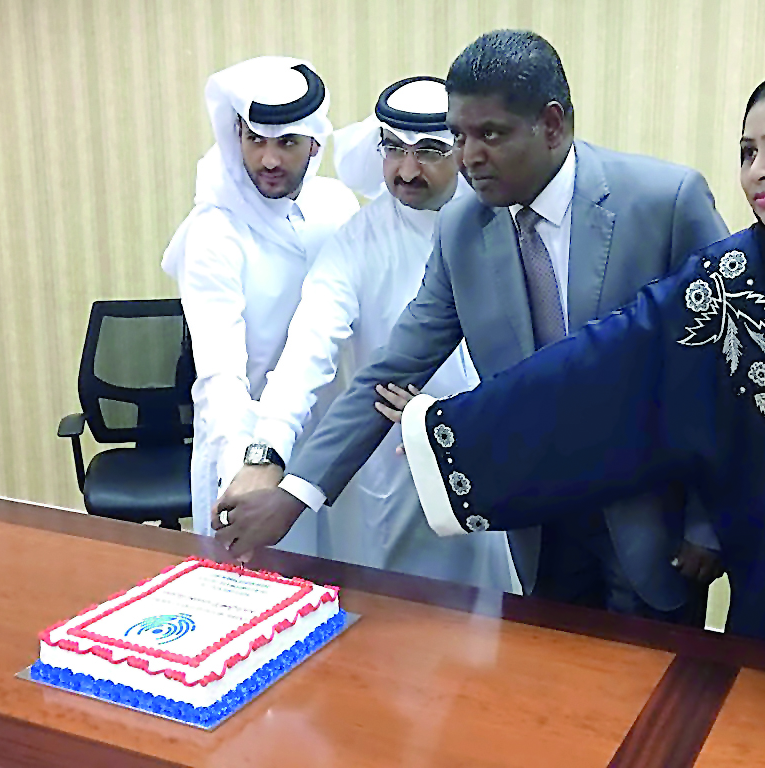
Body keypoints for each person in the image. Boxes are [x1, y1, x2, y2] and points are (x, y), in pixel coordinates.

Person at [399, 65, 765, 675]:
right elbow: (608, 368)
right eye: (747, 152)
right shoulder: (733, 278)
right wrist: (453, 434)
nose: (759, 170)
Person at [213, 30, 728, 620]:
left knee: (657, 704)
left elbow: (725, 369)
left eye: (490, 135)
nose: (469, 156)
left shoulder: (664, 202)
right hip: (540, 523)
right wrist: (294, 493)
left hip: (653, 527)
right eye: (457, 136)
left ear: (552, 125)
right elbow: (390, 369)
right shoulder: (464, 227)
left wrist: (710, 521)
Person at [216, 76, 515, 590]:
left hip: (491, 454)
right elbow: (308, 347)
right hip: (385, 463)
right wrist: (266, 452)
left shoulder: (504, 226)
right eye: (394, 149)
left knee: (491, 620)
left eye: (428, 152)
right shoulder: (359, 239)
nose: (406, 170)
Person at [161, 57, 358, 539]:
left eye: (287, 142)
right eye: (255, 140)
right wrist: (244, 469)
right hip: (242, 441)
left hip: (326, 445)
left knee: (343, 598)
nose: (269, 160)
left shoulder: (337, 208)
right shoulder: (213, 232)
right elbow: (219, 371)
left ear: (315, 143)